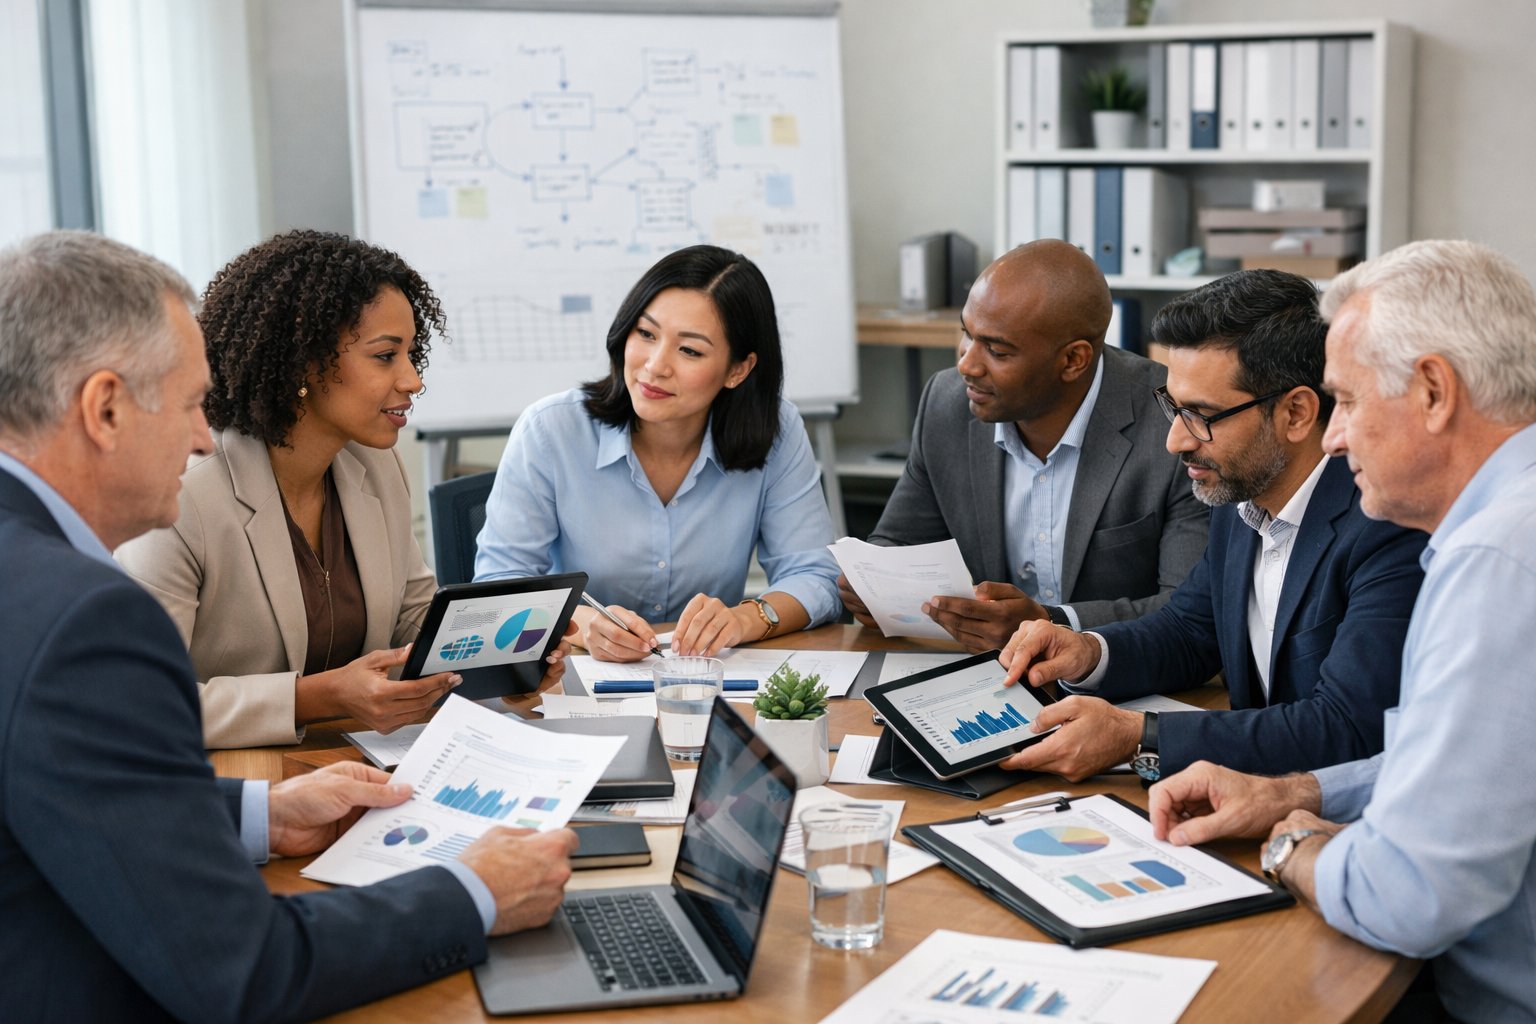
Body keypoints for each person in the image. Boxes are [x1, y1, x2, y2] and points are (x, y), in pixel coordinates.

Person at [0, 230, 578, 1021]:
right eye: (191, 405)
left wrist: (260, 814)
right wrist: (473, 890)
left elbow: (68, 784)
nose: (204, 434)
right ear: (104, 407)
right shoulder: (81, 616)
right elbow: (242, 969)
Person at [1147, 240, 1536, 1024]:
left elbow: (1410, 894)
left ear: (1433, 390)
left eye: (1349, 402)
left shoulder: (1499, 559)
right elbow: (1463, 769)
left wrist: (1296, 848)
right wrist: (1299, 792)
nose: (1332, 437)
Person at [115, 230, 571, 749]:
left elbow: (412, 622)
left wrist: (503, 666)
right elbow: (140, 704)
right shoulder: (182, 496)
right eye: (385, 356)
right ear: (305, 362)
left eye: (411, 354)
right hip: (236, 784)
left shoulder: (374, 464)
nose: (412, 380)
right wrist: (318, 697)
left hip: (357, 764)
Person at [996, 270, 1425, 782]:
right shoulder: (1240, 489)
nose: (1176, 440)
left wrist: (1140, 736)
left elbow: (1348, 728)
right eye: (1174, 408)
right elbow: (1191, 630)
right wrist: (1089, 652)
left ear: (1296, 413)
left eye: (1201, 415)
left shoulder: (1386, 522)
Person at [474, 244, 841, 660]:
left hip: (705, 684)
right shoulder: (550, 430)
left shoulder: (777, 429)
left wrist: (745, 619)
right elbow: (499, 587)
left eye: (690, 350)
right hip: (574, 684)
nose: (655, 366)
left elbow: (816, 576)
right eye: (646, 334)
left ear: (738, 370)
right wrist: (585, 626)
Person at [839, 239, 1209, 652]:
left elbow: (1190, 609)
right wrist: (873, 583)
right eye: (966, 333)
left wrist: (1051, 623)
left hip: (1123, 680)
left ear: (1073, 360)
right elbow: (899, 543)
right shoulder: (947, 403)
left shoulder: (1174, 425)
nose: (967, 364)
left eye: (996, 350)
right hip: (983, 676)